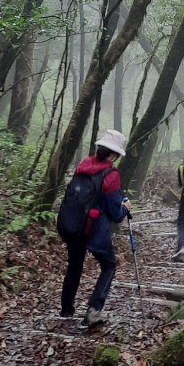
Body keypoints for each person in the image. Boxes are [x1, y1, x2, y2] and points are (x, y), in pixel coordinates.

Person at [58, 129, 131, 327]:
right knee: (109, 265)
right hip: (95, 231)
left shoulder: (84, 164)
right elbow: (116, 214)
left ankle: (66, 310)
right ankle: (94, 310)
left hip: (74, 224)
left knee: (74, 266)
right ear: (114, 154)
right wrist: (125, 208)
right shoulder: (111, 174)